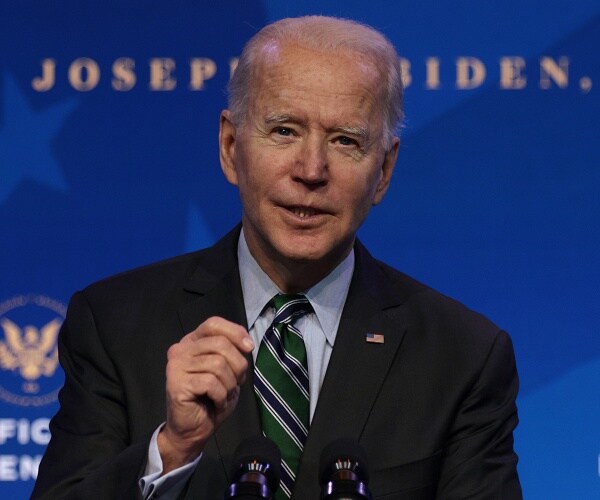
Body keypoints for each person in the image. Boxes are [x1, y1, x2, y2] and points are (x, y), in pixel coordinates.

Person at [32, 15, 522, 499]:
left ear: (385, 170)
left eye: (345, 141)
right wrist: (173, 449)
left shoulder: (462, 357)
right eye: (284, 131)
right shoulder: (114, 325)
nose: (311, 170)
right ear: (230, 147)